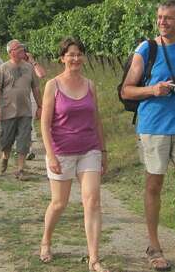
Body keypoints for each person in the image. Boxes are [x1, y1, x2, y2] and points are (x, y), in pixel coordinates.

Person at [120, 0, 175, 272]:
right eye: (159, 17)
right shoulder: (146, 49)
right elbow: (126, 90)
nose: (162, 22)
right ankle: (154, 247)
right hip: (154, 127)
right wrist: (152, 90)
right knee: (154, 186)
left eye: (169, 17)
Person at [39, 37, 110, 272]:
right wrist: (50, 154)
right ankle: (46, 240)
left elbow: (96, 119)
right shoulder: (53, 85)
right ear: (62, 58)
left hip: (89, 149)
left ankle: (94, 258)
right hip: (62, 152)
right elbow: (45, 124)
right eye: (70, 54)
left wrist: (103, 150)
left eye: (79, 54)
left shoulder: (90, 85)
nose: (75, 58)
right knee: (59, 203)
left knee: (92, 201)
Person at [0, 39, 42, 180]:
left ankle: (20, 169)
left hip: (25, 111)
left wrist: (40, 106)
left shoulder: (29, 67)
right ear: (11, 52)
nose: (22, 50)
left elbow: (36, 88)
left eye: (22, 48)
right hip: (8, 110)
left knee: (24, 140)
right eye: (18, 48)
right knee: (6, 140)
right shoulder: (3, 68)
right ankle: (5, 156)